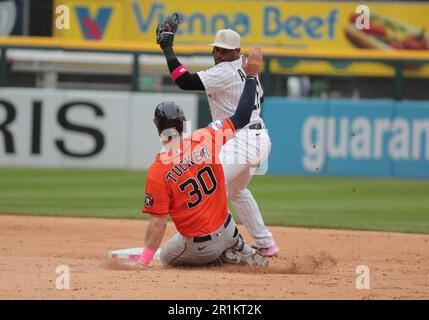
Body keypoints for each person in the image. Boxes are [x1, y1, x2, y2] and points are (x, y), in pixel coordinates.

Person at [137, 47, 268, 268]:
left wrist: (143, 263)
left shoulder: (158, 169)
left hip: (201, 248)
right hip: (229, 230)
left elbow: (158, 223)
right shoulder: (206, 136)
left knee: (167, 256)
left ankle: (219, 258)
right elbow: (242, 115)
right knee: (230, 193)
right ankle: (240, 247)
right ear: (183, 123)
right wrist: (252, 76)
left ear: (157, 128)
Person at [157, 24, 279, 257]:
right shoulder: (246, 67)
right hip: (256, 137)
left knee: (209, 188)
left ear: (236, 51)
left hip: (243, 139)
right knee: (236, 191)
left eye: (224, 50)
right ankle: (265, 244)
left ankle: (232, 245)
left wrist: (168, 49)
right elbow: (259, 99)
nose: (218, 54)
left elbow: (184, 81)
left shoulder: (225, 71)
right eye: (216, 49)